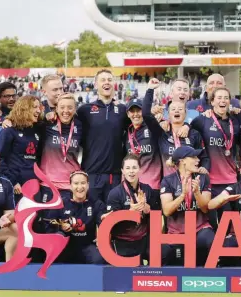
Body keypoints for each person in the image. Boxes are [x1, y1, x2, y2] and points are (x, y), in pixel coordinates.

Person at [190, 87, 241, 228]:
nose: (222, 101)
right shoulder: (202, 120)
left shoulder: (235, 122)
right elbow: (187, 129)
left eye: (226, 98)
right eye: (219, 98)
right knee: (211, 225)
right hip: (209, 181)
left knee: (230, 226)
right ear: (212, 102)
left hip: (230, 180)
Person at [77, 69, 129, 202]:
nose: (107, 83)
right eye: (103, 80)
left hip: (115, 175)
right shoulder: (84, 110)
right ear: (95, 85)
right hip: (91, 174)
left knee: (114, 219)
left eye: (110, 80)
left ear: (114, 84)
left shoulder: (123, 110)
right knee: (90, 218)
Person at [160, 146, 214, 266]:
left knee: (210, 240)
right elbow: (167, 211)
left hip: (200, 229)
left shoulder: (203, 178)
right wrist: (183, 195)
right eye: (193, 157)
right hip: (177, 232)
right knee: (164, 253)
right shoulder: (168, 181)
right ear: (182, 161)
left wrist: (197, 193)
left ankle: (213, 277)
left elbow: (205, 208)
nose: (198, 160)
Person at [143, 78, 206, 179]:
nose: (182, 92)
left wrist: (187, 125)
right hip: (166, 179)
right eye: (179, 89)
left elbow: (204, 154)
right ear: (171, 93)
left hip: (191, 179)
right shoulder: (160, 114)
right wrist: (150, 89)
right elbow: (146, 115)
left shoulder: (196, 115)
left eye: (185, 90)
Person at [106, 154, 159, 265]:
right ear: (122, 171)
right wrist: (128, 213)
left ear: (140, 169)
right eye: (128, 168)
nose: (131, 171)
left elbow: (158, 213)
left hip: (143, 240)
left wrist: (147, 208)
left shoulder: (147, 189)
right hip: (122, 241)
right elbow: (110, 223)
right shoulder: (115, 193)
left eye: (134, 168)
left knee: (162, 254)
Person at [50, 171, 107, 264]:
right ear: (70, 186)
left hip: (87, 246)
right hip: (65, 247)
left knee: (99, 258)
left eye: (83, 183)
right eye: (76, 183)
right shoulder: (60, 203)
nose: (80, 187)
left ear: (88, 185)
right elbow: (49, 223)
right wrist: (60, 227)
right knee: (55, 248)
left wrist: (104, 221)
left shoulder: (96, 204)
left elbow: (101, 220)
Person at [39, 93, 84, 200]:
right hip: (48, 183)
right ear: (56, 109)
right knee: (48, 217)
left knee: (69, 217)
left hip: (72, 183)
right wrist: (8, 120)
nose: (66, 111)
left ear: (75, 109)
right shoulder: (48, 123)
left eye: (70, 107)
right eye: (62, 107)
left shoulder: (80, 125)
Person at [0, 95, 43, 198]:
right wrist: (12, 182)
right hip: (16, 186)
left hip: (34, 184)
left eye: (38, 107)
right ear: (24, 108)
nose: (38, 111)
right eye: (34, 107)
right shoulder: (9, 130)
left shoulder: (38, 129)